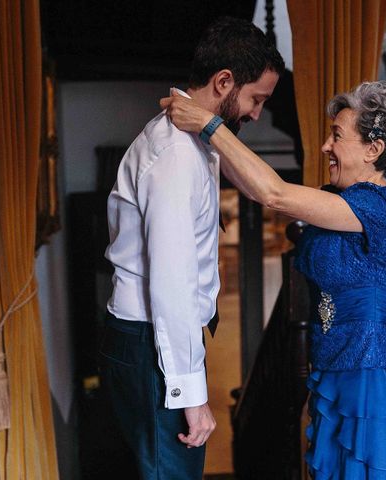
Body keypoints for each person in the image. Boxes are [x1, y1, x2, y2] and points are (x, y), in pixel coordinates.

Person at [160, 80, 386, 479]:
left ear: (374, 150)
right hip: (336, 365)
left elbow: (275, 195)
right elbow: (256, 190)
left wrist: (210, 124)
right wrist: (206, 135)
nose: (325, 147)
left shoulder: (381, 206)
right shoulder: (345, 203)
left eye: (337, 136)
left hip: (370, 375)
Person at [101, 16, 284, 480]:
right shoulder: (177, 157)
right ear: (224, 81)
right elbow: (172, 284)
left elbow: (262, 188)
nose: (258, 114)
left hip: (147, 337)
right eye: (256, 99)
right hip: (151, 337)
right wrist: (192, 396)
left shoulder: (195, 139)